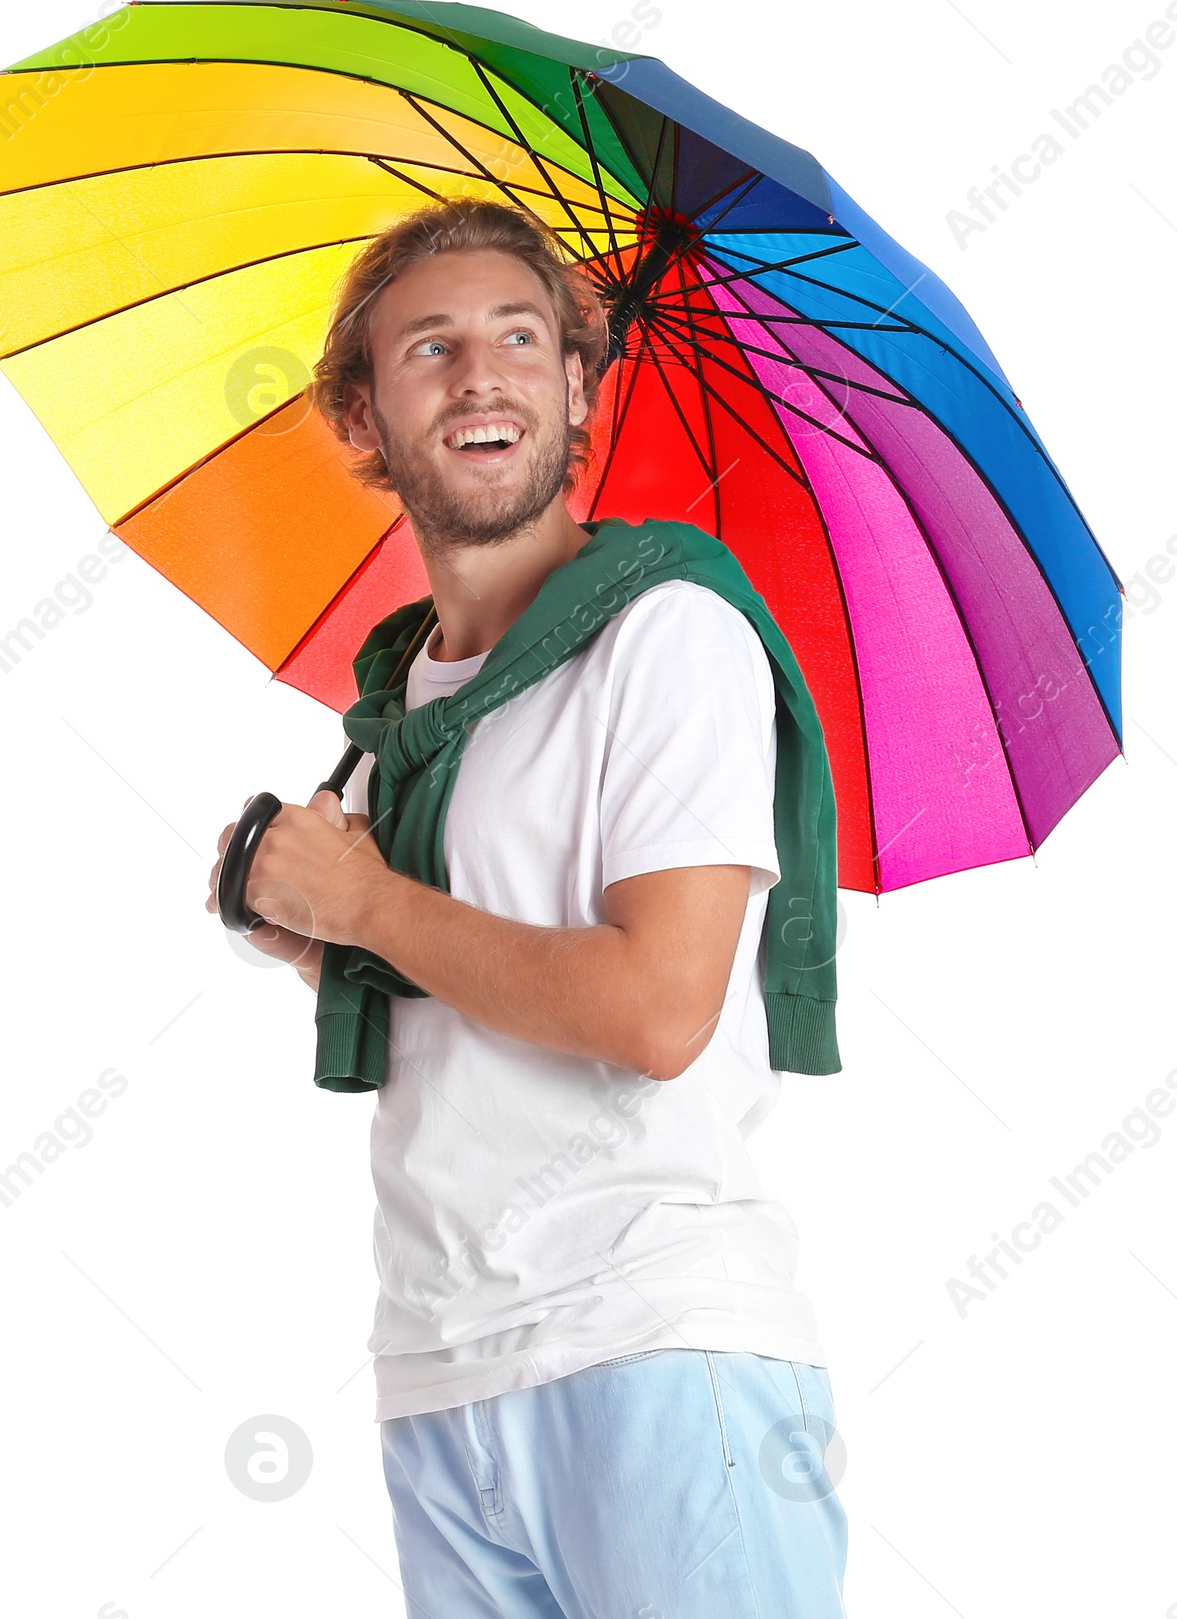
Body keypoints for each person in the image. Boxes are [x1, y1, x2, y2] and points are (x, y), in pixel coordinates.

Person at [207, 198, 848, 1617]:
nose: (480, 371)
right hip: (444, 1362)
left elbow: (656, 1007)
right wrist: (319, 937)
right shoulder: (400, 713)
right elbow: (476, 990)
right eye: (429, 347)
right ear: (364, 417)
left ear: (577, 388)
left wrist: (370, 899)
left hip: (656, 1345)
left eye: (518, 336)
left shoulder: (666, 633)